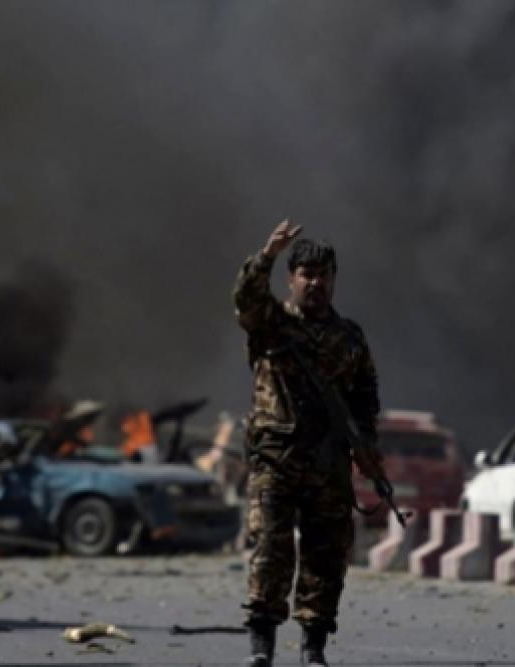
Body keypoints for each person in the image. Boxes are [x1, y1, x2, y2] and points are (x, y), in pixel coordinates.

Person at [233, 220, 385, 667]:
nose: (315, 283)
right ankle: (261, 647)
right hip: (275, 458)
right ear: (292, 278)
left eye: (323, 275)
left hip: (327, 460)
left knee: (326, 555)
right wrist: (266, 255)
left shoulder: (349, 338)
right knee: (270, 551)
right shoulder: (270, 324)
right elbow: (244, 298)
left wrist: (366, 445)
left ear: (333, 280)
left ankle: (313, 647)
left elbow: (365, 395)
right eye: (306, 274)